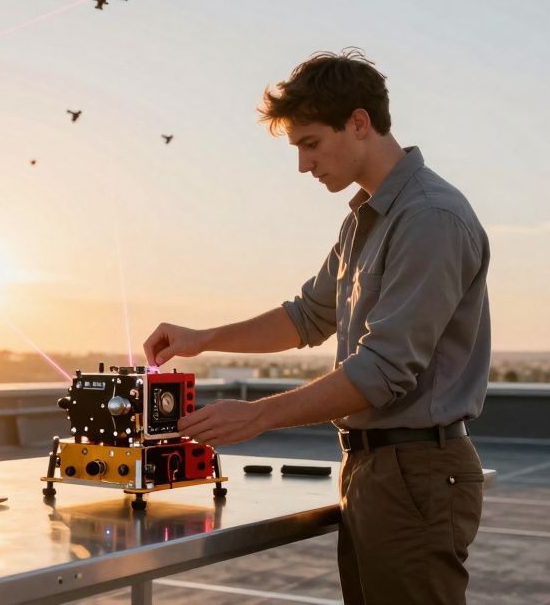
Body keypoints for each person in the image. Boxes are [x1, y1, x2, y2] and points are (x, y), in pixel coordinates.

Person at [143, 48, 491, 605]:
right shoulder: (365, 221)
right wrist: (202, 339)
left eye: (310, 143)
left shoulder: (430, 218)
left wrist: (255, 416)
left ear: (359, 123)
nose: (304, 165)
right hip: (371, 469)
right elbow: (307, 316)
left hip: (416, 472)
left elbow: (382, 371)